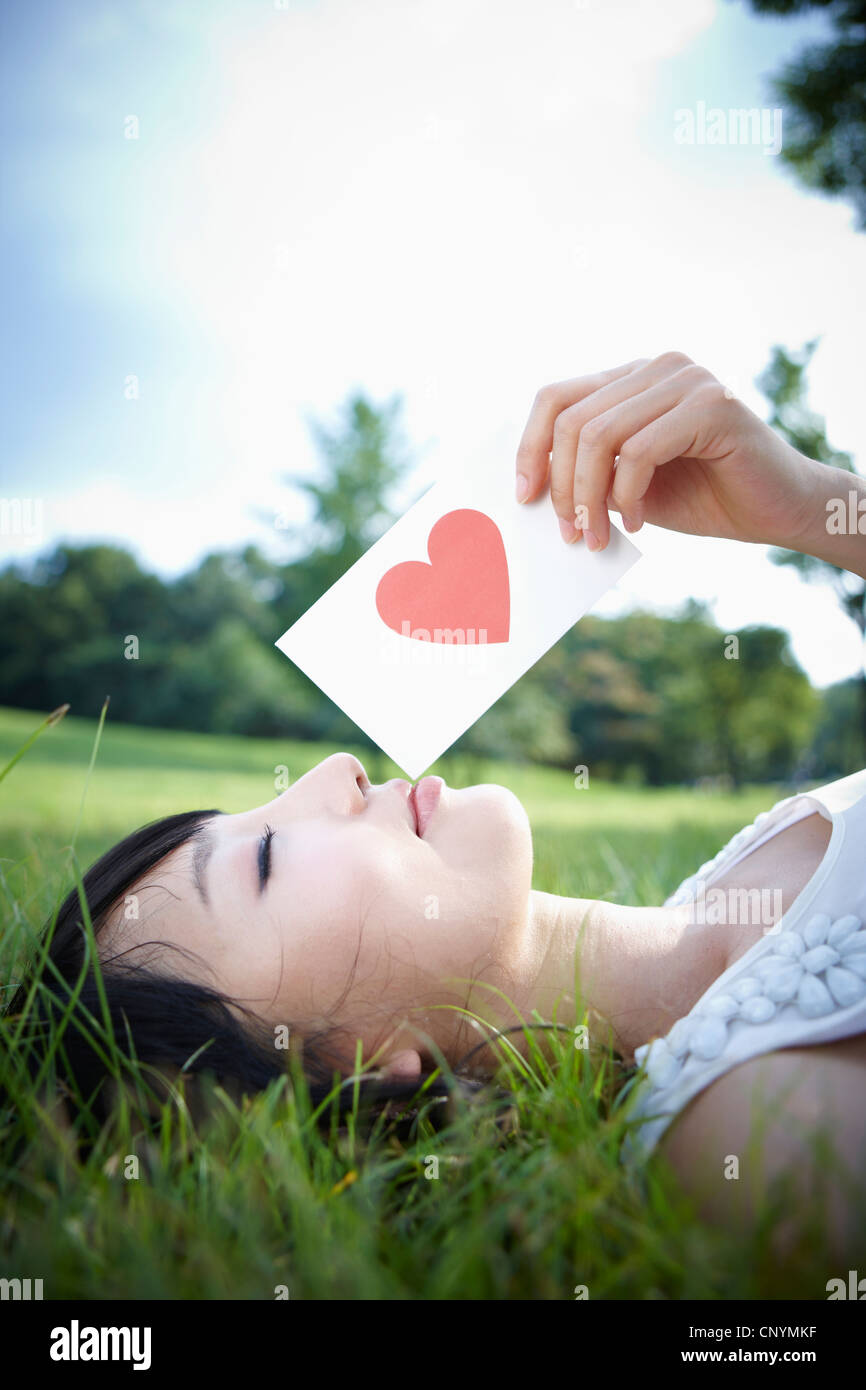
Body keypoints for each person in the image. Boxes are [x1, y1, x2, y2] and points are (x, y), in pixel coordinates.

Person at [9, 351, 866, 1251]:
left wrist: (813, 507)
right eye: (263, 859)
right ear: (362, 1068)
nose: (331, 770)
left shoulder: (737, 884)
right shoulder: (762, 1133)